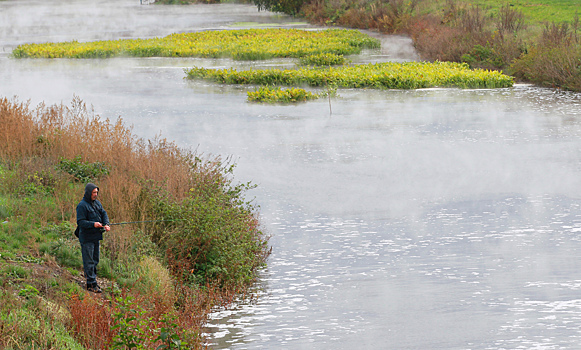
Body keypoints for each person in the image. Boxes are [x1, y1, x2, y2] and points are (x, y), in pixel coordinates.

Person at [76, 183, 110, 293]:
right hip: (86, 238)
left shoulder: (97, 203)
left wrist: (106, 224)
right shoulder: (82, 206)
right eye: (94, 193)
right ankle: (91, 284)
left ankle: (91, 279)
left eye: (96, 192)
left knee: (95, 260)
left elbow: (104, 213)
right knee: (89, 261)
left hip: (96, 237)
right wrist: (93, 224)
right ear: (88, 193)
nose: (95, 195)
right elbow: (81, 222)